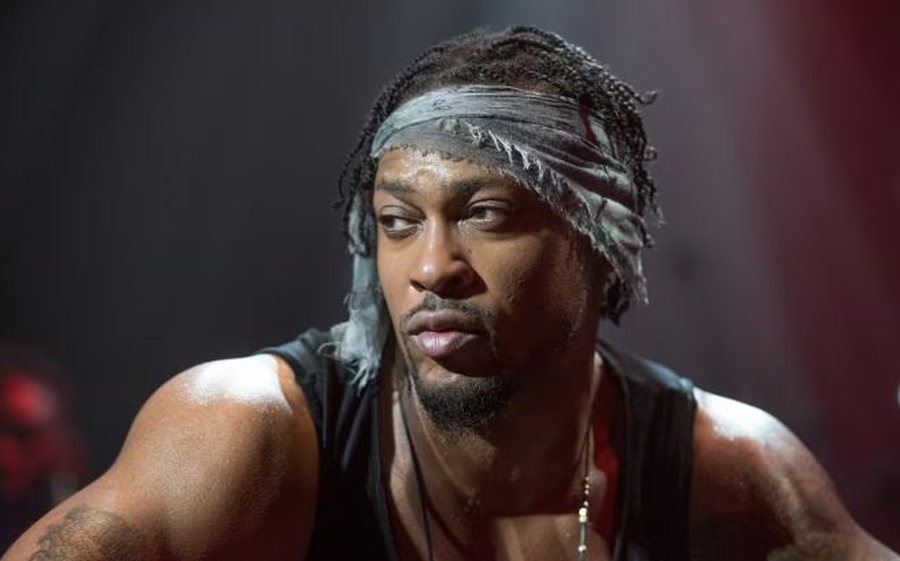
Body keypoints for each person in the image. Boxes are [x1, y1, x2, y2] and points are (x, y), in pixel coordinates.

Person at [2, 26, 896, 561]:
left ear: (600, 238)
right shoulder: (248, 433)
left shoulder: (725, 470)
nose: (432, 267)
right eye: (397, 221)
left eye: (486, 214)